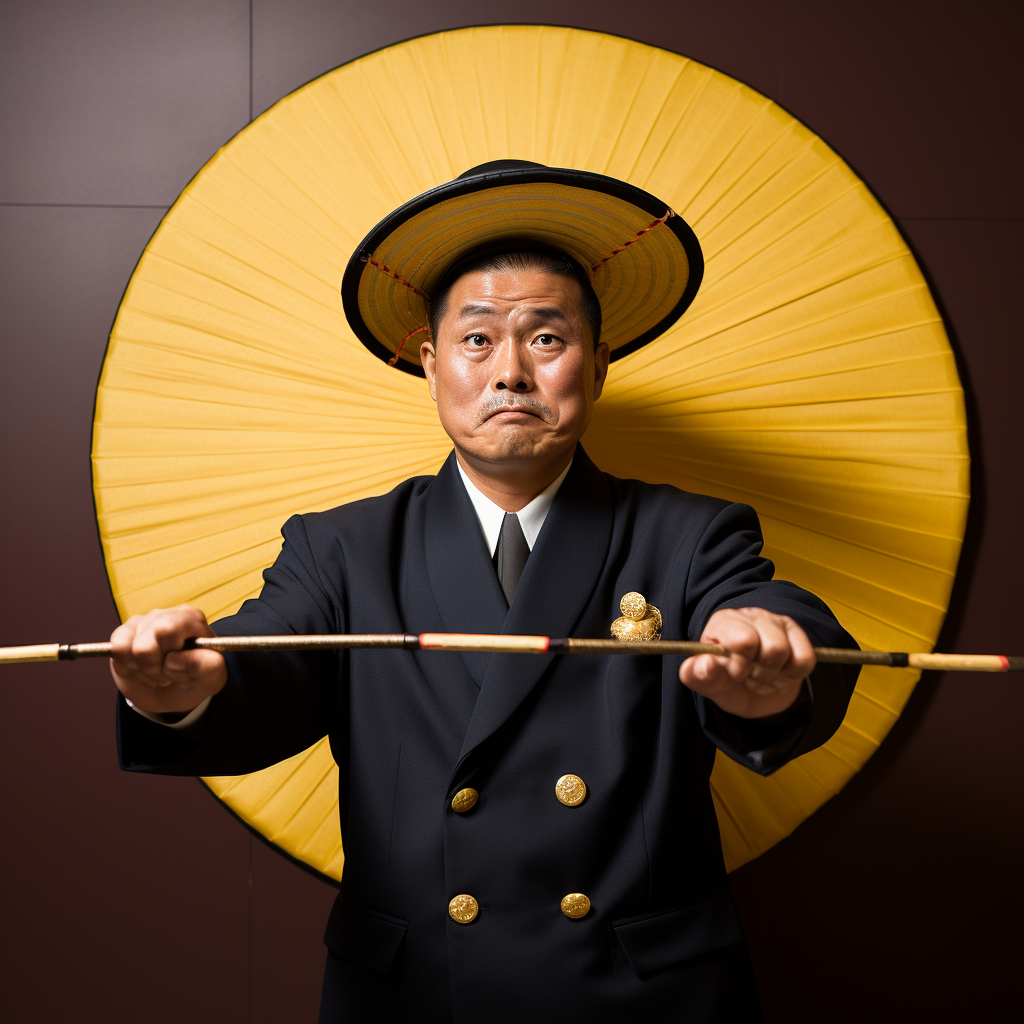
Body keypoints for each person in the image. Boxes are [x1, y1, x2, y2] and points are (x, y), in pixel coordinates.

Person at [111, 161, 858, 1023]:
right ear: (430, 365)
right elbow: (263, 657)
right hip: (420, 993)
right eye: (476, 340)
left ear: (599, 363)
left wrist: (768, 658)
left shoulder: (688, 534)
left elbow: (775, 613)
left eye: (546, 338)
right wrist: (180, 692)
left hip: (643, 997)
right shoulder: (344, 546)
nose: (510, 371)